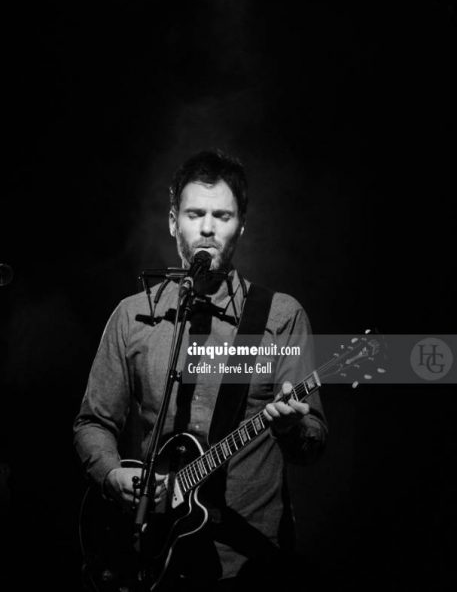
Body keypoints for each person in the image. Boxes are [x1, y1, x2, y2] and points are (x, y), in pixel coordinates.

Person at [73, 150, 327, 591]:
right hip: (152, 557)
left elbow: (313, 440)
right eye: (195, 214)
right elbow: (93, 422)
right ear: (174, 221)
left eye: (222, 215)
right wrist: (113, 475)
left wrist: (291, 427)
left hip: (250, 562)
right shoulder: (134, 316)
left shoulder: (278, 315)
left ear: (241, 225)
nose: (208, 227)